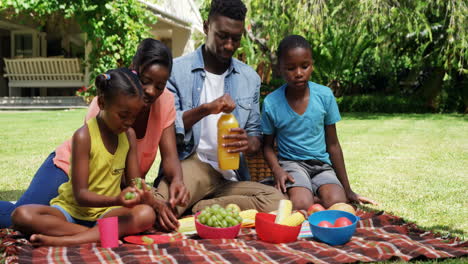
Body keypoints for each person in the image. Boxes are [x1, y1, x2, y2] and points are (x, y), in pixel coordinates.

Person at [0, 39, 188, 231]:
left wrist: (174, 184)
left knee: (142, 216)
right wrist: (138, 199)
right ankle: (91, 233)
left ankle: (79, 232)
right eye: (145, 81)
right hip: (70, 170)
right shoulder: (107, 104)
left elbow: (166, 158)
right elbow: (98, 173)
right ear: (133, 69)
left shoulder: (163, 103)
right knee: (17, 218)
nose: (151, 91)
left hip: (108, 189)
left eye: (160, 85)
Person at [155, 0, 284, 216]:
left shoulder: (249, 78)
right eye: (222, 36)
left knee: (278, 201)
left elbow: (254, 136)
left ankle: (199, 207)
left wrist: (248, 142)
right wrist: (206, 108)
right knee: (162, 211)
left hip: (229, 174)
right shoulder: (177, 71)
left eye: (236, 38)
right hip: (192, 166)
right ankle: (197, 204)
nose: (229, 45)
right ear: (206, 27)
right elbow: (169, 126)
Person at [11, 68, 155, 246]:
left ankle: (68, 238)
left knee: (146, 213)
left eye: (133, 117)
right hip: (70, 212)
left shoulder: (128, 136)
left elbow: (135, 182)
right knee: (21, 215)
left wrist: (141, 194)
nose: (128, 122)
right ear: (102, 103)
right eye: (123, 115)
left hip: (106, 213)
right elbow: (81, 195)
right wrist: (116, 199)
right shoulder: (84, 136)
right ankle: (94, 235)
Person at [261, 35, 377, 210]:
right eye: (291, 68)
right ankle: (306, 195)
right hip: (292, 165)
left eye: (304, 66)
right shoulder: (271, 103)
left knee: (337, 202)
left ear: (312, 65)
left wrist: (348, 189)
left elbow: (333, 145)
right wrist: (277, 170)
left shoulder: (324, 96)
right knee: (301, 204)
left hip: (322, 166)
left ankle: (314, 194)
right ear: (280, 69)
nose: (299, 73)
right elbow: (267, 146)